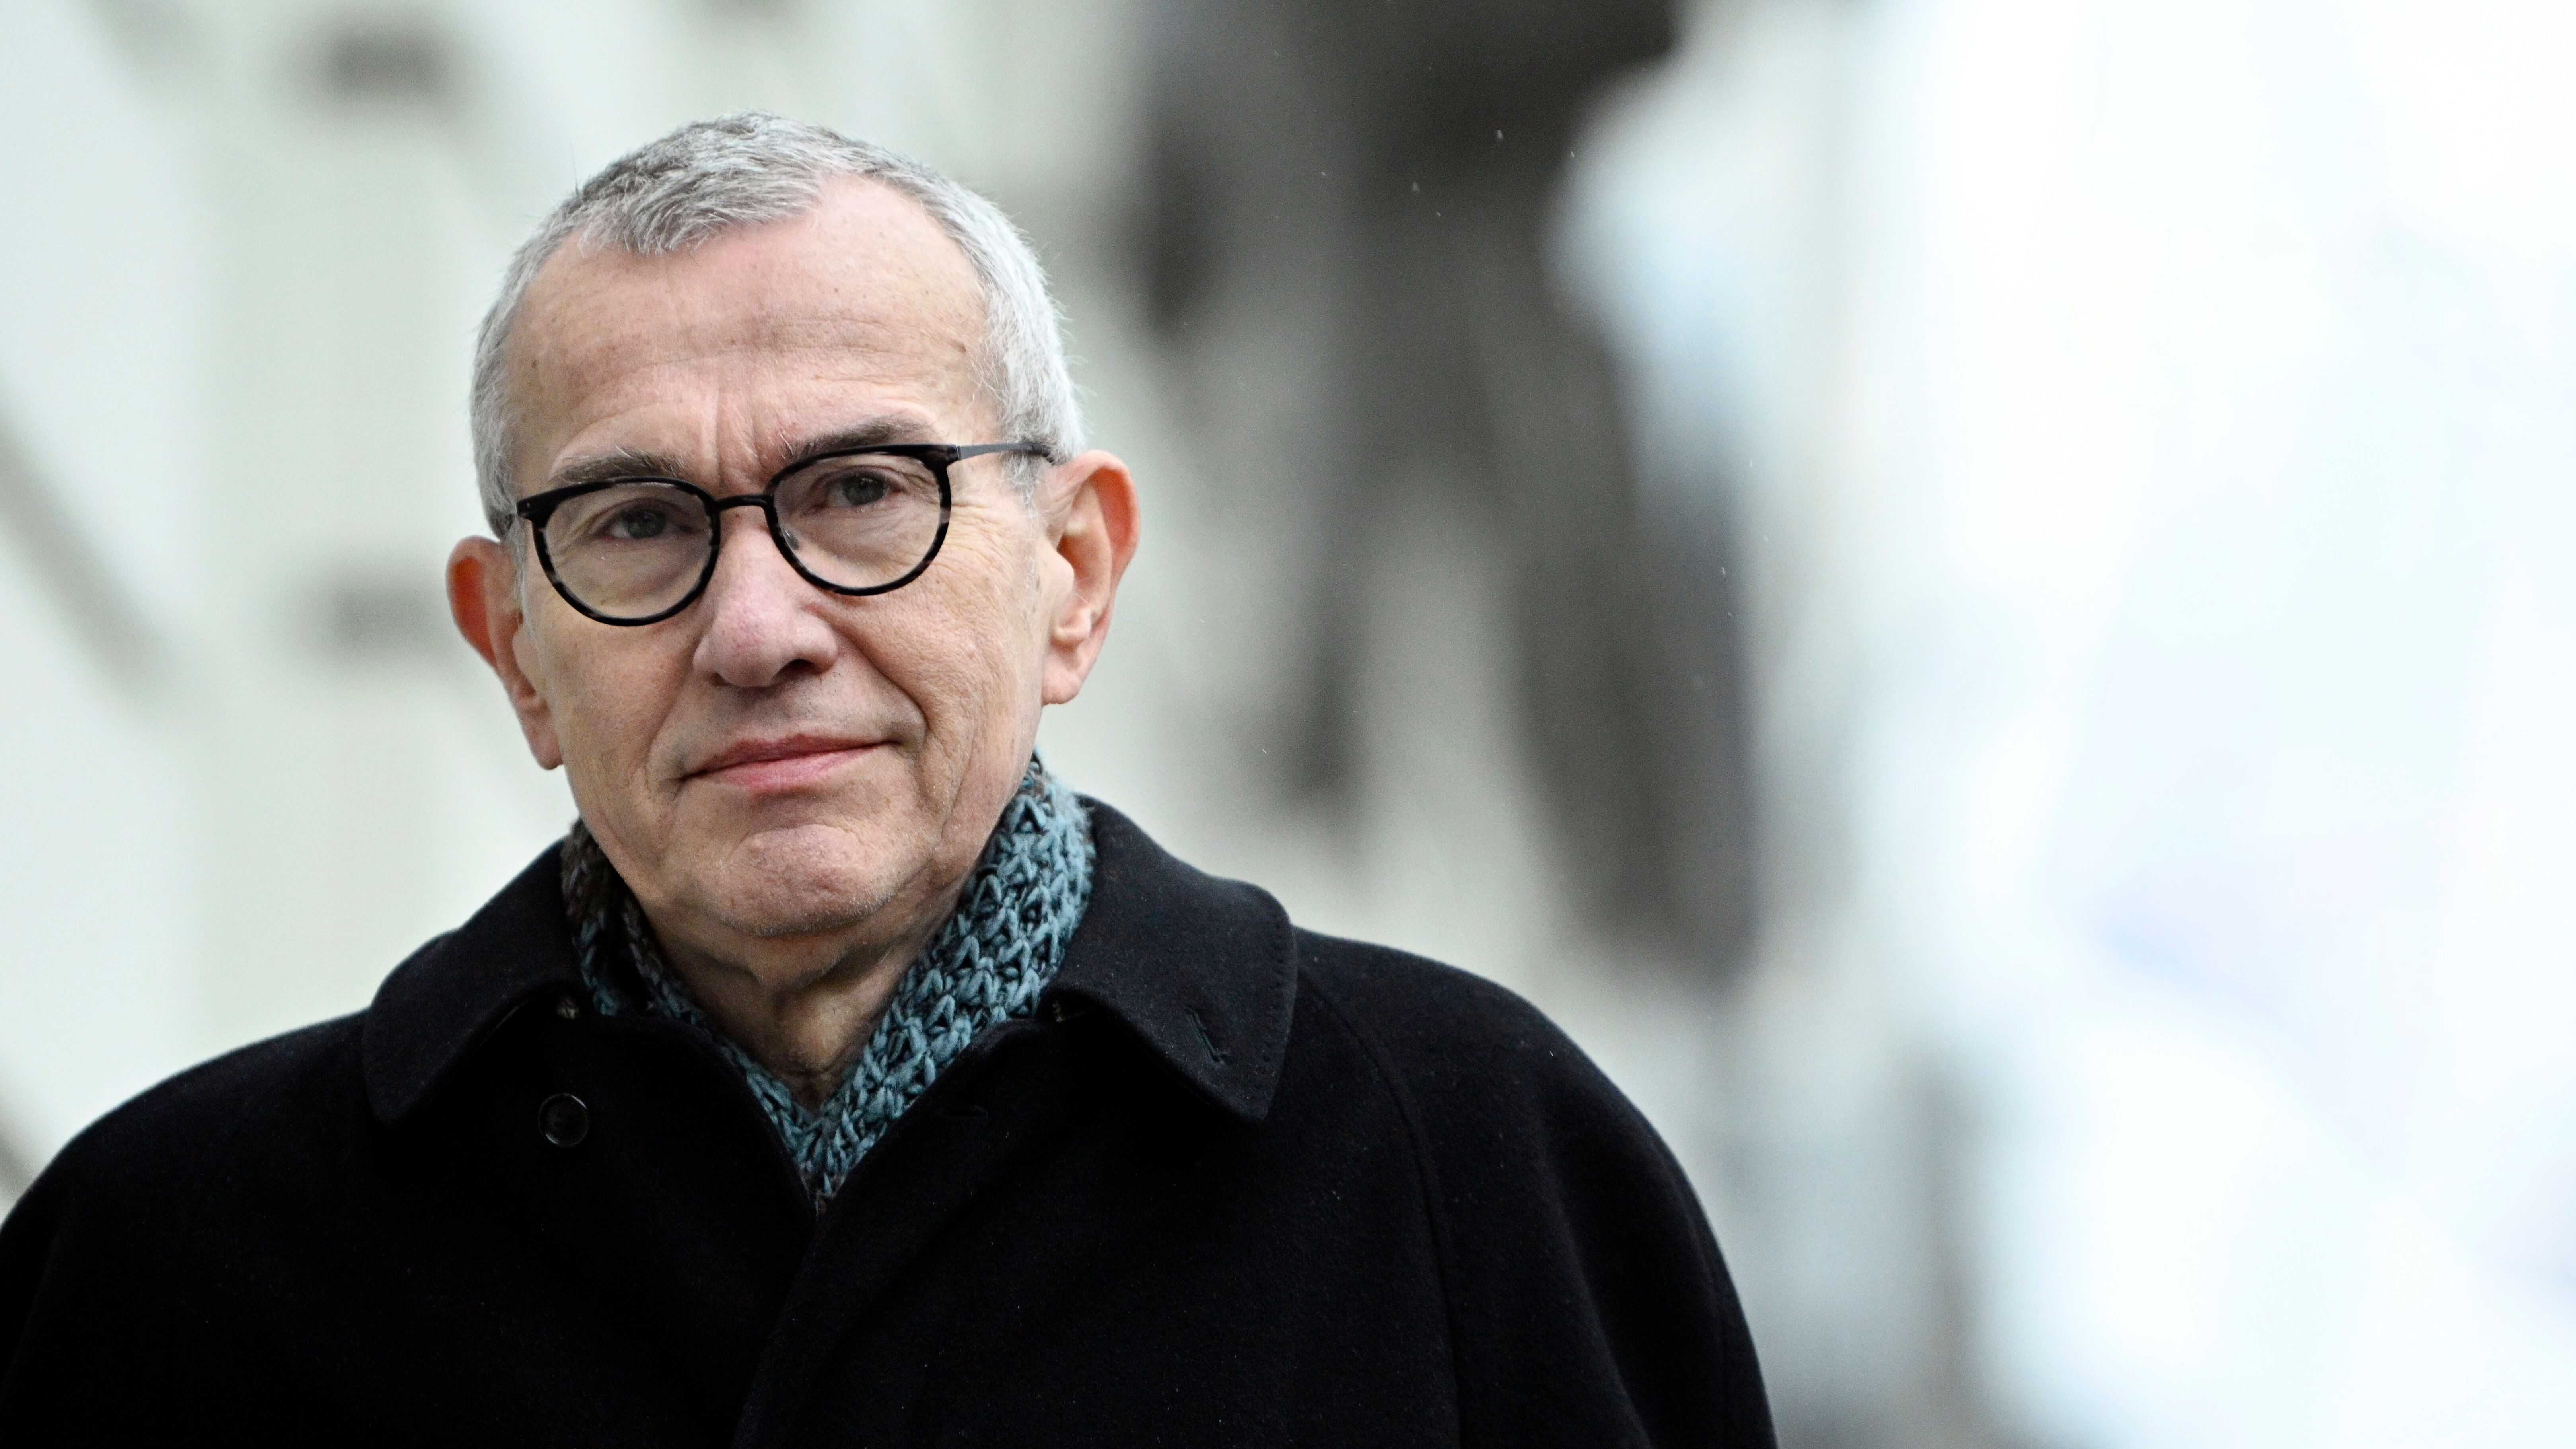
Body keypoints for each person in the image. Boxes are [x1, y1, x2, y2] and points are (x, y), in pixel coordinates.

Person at [0, 114, 1772, 1446]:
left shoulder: (1481, 1181)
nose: (757, 627)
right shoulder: (166, 1268)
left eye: (862, 492)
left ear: (1073, 572)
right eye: (637, 522)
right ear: (516, 648)